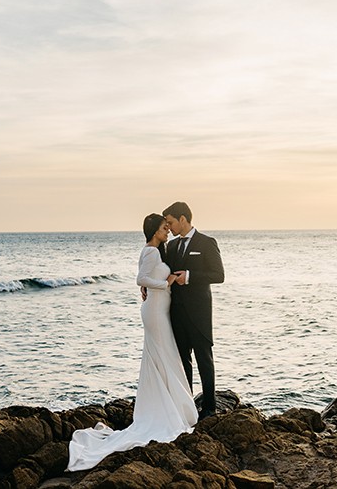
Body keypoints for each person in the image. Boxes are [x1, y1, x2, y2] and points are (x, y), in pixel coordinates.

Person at [66, 214, 198, 472]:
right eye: (164, 228)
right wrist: (167, 281)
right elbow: (142, 279)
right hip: (155, 312)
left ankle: (169, 405)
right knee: (163, 356)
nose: (167, 231)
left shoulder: (158, 252)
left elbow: (147, 278)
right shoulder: (150, 251)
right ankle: (164, 412)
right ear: (154, 231)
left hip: (159, 311)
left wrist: (161, 283)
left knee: (163, 357)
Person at [163, 201, 224, 421]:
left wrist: (188, 277)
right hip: (176, 313)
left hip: (199, 313)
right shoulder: (170, 247)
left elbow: (218, 275)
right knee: (182, 361)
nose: (168, 227)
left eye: (171, 222)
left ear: (182, 219)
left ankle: (209, 408)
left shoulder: (207, 243)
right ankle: (186, 405)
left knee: (204, 360)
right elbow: (164, 273)